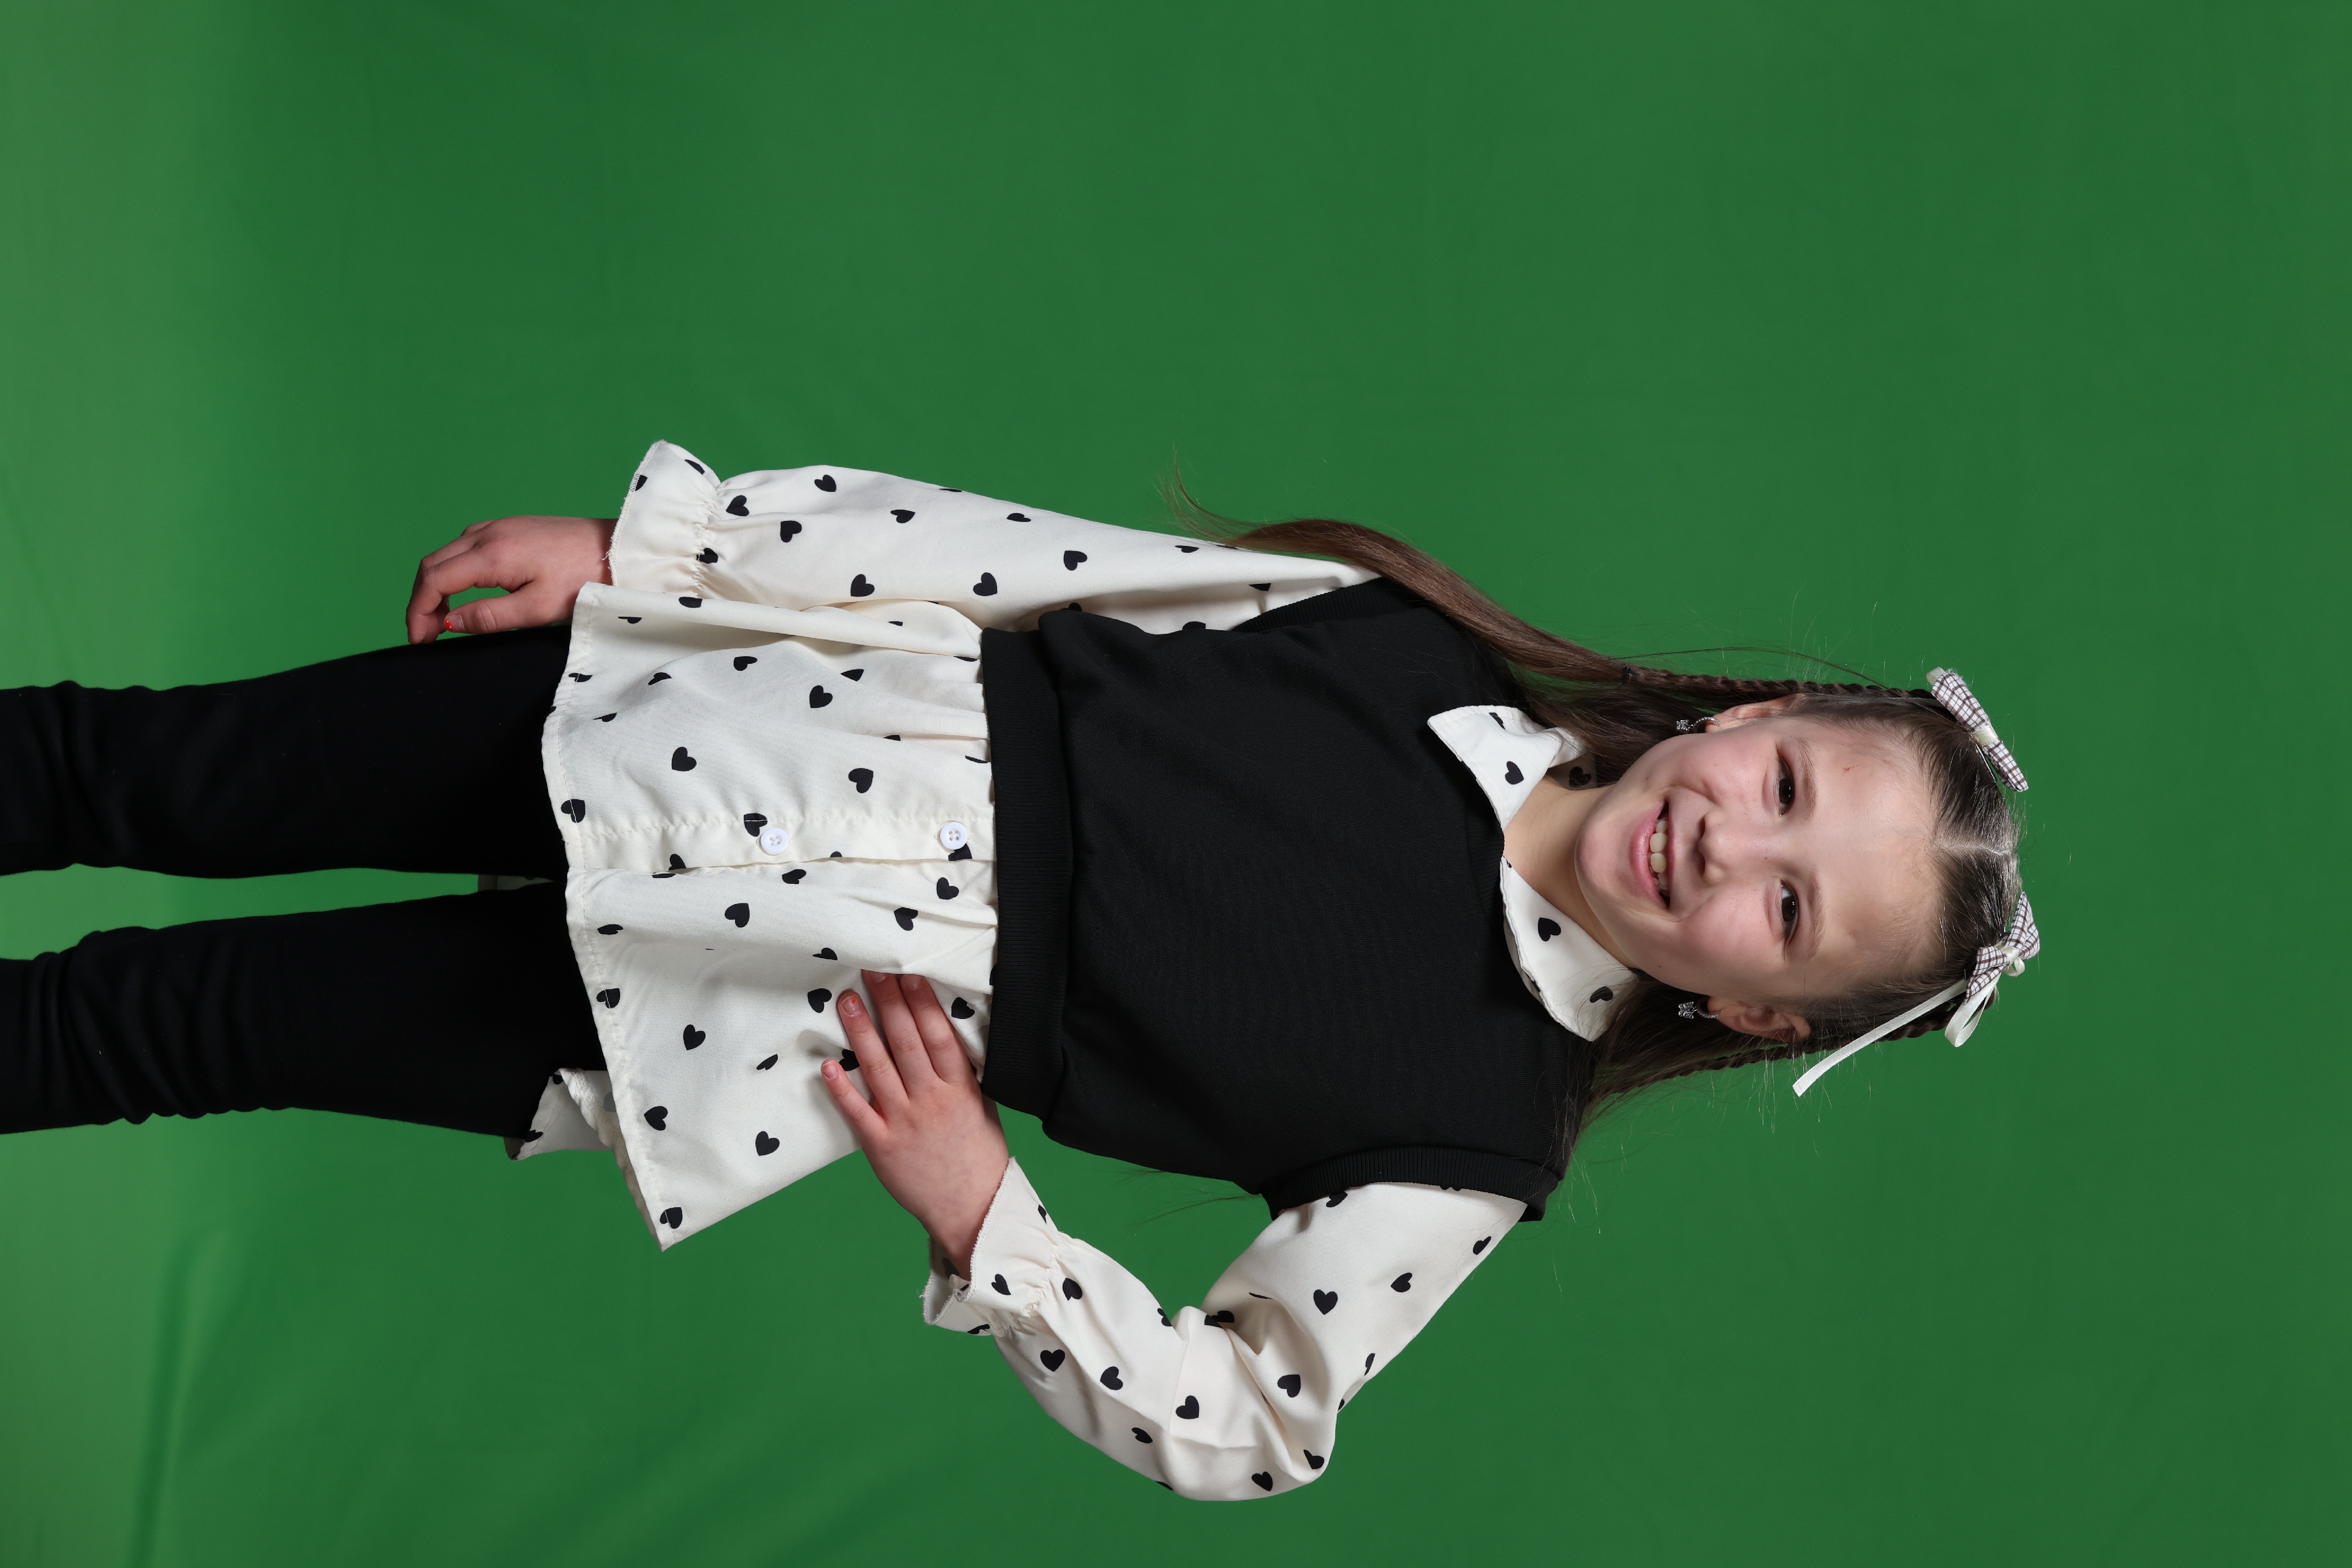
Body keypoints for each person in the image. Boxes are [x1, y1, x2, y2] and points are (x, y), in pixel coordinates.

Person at [0, 441, 2036, 1499]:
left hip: (727, 1012)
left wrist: (994, 1222)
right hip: (710, 713)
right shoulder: (1391, 646)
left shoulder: (1474, 1141)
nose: (1731, 844)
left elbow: (1256, 1417)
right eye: (1784, 785)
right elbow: (991, 556)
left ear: (1756, 1012)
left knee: (168, 1026)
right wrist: (661, 554)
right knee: (135, 766)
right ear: (1750, 714)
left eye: (1790, 911)